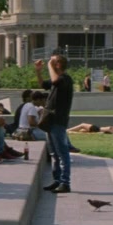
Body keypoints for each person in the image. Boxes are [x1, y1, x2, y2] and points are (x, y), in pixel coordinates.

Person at [33, 56, 74, 194]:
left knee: (62, 152)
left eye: (53, 60)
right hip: (50, 121)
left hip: (58, 121)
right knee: (53, 153)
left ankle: (65, 183)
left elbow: (55, 80)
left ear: (58, 64)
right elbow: (42, 84)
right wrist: (38, 71)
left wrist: (49, 65)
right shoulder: (57, 80)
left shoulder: (65, 79)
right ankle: (57, 180)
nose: (49, 62)